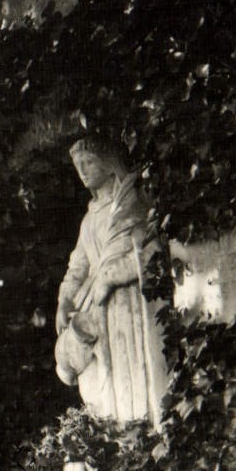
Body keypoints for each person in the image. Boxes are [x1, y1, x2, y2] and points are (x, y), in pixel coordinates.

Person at [54, 137, 168, 427]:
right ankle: (116, 436)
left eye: (89, 162)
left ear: (108, 164)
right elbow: (77, 266)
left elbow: (149, 251)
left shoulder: (130, 203)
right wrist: (64, 300)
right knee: (100, 382)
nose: (82, 170)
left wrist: (111, 276)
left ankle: (140, 430)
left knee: (133, 377)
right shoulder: (89, 218)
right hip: (94, 305)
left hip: (127, 302)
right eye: (78, 165)